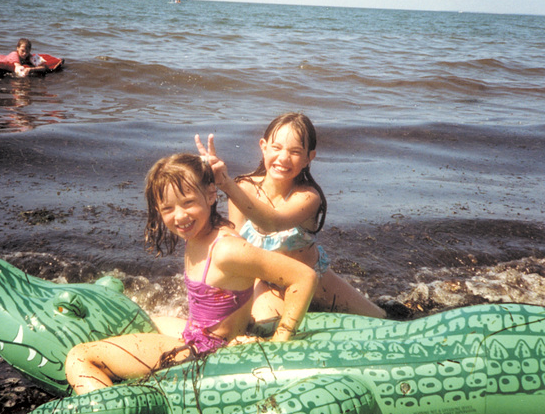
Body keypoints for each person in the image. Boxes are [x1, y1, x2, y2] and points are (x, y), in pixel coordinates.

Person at [65, 153, 317, 395]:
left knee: (79, 357)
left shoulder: (226, 249)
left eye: (188, 203)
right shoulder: (200, 233)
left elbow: (304, 277)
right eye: (168, 208)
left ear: (210, 195)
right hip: (196, 336)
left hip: (205, 353)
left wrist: (280, 340)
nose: (180, 216)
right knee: (134, 320)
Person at [195, 112, 386, 324]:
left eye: (295, 152)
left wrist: (226, 184)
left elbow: (273, 221)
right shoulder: (244, 188)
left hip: (315, 282)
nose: (283, 158)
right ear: (263, 146)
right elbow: (236, 244)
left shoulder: (307, 196)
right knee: (262, 330)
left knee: (383, 320)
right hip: (267, 283)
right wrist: (205, 186)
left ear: (308, 158)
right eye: (276, 148)